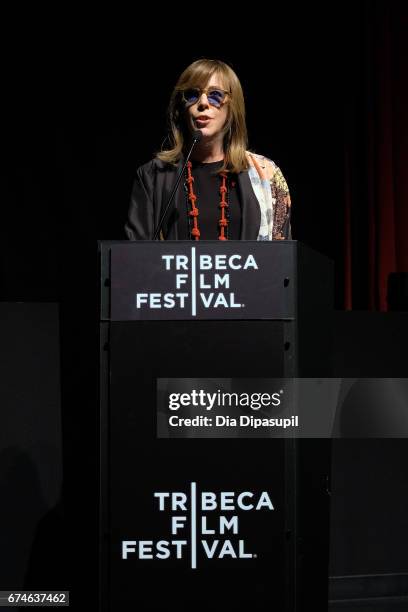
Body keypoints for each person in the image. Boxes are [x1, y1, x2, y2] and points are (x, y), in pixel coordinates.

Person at [125, 58, 291, 241]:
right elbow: (136, 259)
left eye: (215, 95)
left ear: (232, 106)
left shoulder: (267, 175)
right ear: (181, 108)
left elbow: (282, 258)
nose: (203, 103)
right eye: (192, 94)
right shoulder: (152, 175)